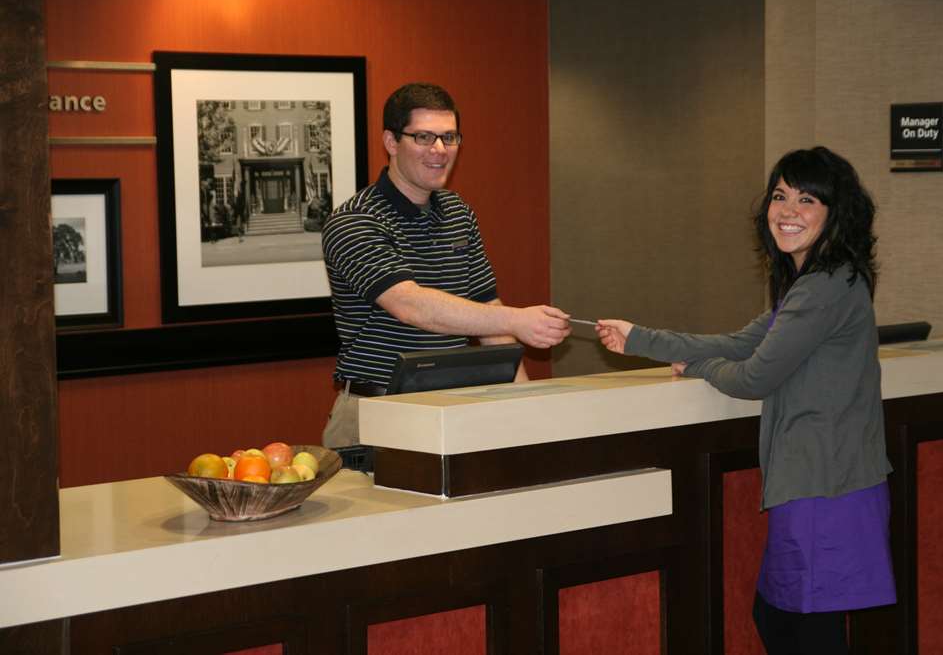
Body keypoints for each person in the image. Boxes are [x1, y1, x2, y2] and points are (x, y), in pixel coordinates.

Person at [596, 147, 894, 655]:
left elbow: (752, 375)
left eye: (806, 200)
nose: (788, 211)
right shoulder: (813, 284)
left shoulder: (825, 285)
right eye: (780, 196)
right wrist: (640, 338)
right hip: (823, 479)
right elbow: (739, 343)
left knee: (801, 628)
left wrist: (697, 368)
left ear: (834, 212)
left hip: (826, 483)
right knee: (787, 620)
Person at [321, 82, 571, 448]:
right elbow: (411, 305)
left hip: (453, 410)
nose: (439, 151)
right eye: (424, 137)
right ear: (391, 142)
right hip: (376, 411)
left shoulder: (459, 213)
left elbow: (488, 312)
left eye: (449, 137)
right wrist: (518, 319)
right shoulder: (354, 221)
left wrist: (525, 404)